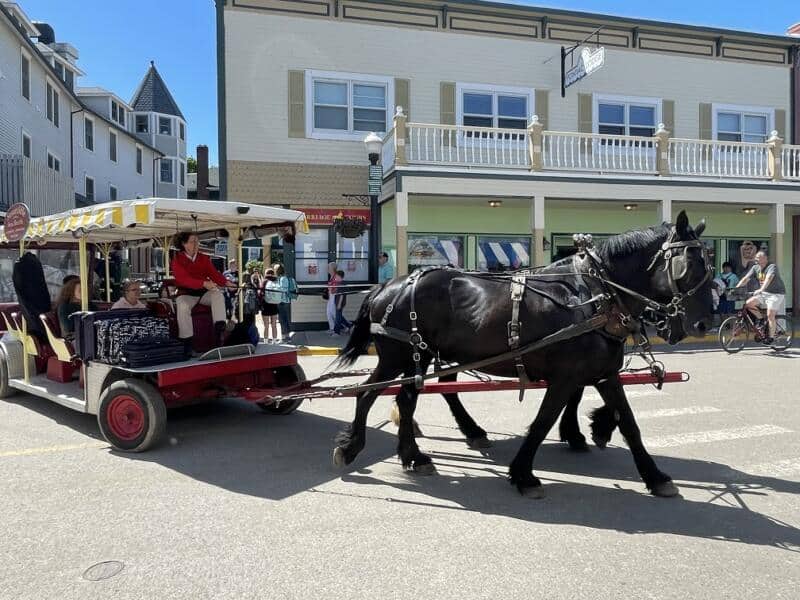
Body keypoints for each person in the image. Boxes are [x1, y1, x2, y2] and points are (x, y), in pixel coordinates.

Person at [171, 231, 236, 354]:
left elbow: (213, 274)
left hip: (203, 293)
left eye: (197, 241)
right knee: (182, 306)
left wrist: (227, 283)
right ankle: (187, 342)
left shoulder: (204, 258)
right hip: (186, 293)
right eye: (192, 241)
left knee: (217, 294)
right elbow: (183, 279)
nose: (196, 244)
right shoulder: (177, 260)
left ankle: (220, 330)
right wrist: (203, 283)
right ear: (184, 244)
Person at [735, 250, 786, 341]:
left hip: (776, 294)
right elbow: (746, 279)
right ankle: (761, 320)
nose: (756, 259)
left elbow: (768, 279)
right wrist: (736, 288)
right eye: (756, 257)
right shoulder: (755, 268)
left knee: (770, 314)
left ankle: (770, 337)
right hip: (764, 293)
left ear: (765, 258)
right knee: (748, 303)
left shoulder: (772, 267)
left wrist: (761, 290)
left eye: (758, 257)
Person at [274, 264, 296, 343]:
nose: (274, 271)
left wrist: (275, 287)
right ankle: (287, 337)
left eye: (275, 269)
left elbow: (283, 290)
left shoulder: (282, 279)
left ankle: (284, 338)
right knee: (285, 320)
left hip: (283, 301)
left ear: (278, 270)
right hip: (285, 301)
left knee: (282, 320)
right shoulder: (283, 278)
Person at [260, 268, 282, 343]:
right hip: (274, 305)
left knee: (266, 326)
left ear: (266, 273)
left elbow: (260, 293)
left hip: (266, 305)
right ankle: (274, 340)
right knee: (274, 325)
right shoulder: (276, 281)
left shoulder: (264, 281)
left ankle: (266, 341)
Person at [334, 270, 352, 335]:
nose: (335, 277)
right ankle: (349, 325)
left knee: (338, 318)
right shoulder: (339, 284)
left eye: (336, 276)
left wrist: (339, 304)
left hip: (340, 303)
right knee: (339, 316)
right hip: (338, 302)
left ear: (339, 276)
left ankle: (337, 332)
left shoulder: (342, 284)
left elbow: (341, 295)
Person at [325, 262, 340, 335]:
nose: (327, 269)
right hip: (330, 296)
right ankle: (332, 328)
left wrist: (331, 289)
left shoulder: (336, 276)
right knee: (328, 312)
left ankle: (346, 326)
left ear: (332, 268)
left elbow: (338, 287)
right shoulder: (331, 276)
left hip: (334, 296)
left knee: (334, 313)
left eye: (328, 267)